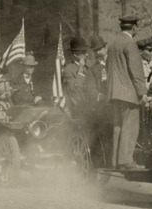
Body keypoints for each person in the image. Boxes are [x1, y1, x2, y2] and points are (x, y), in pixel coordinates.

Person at [102, 15, 147, 170]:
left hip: (114, 93)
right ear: (134, 27)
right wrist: (142, 92)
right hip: (128, 93)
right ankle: (126, 160)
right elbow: (136, 70)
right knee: (130, 126)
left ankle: (115, 161)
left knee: (118, 126)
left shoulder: (112, 43)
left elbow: (108, 67)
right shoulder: (130, 43)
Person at [62, 37, 96, 115]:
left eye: (86, 51)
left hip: (92, 107)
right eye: (83, 52)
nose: (86, 54)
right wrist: (80, 70)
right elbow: (75, 90)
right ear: (75, 54)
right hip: (78, 109)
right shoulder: (68, 70)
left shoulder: (88, 66)